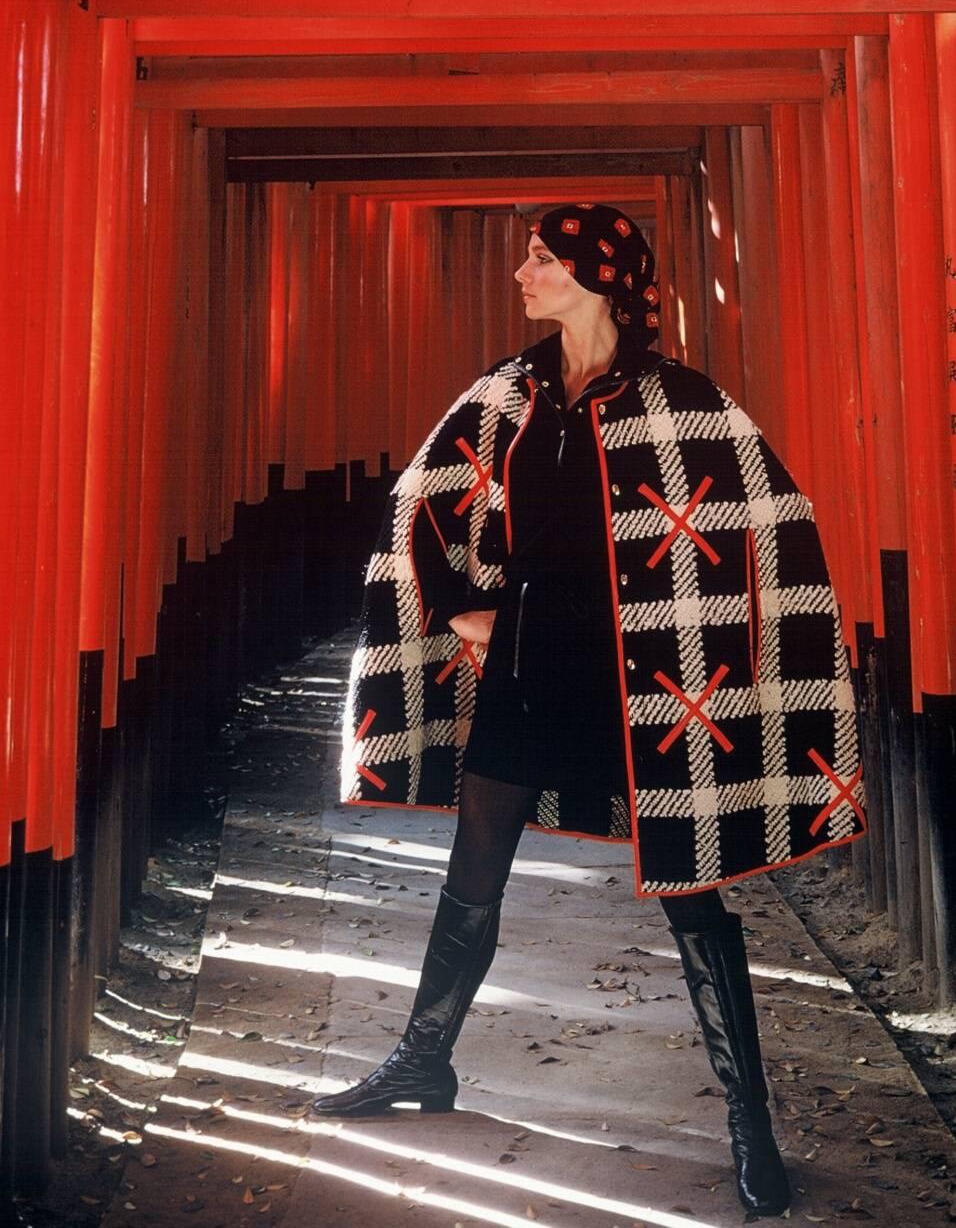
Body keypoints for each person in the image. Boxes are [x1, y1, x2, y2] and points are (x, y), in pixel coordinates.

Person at [314, 204, 866, 1219]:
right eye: (527, 255)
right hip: (527, 664)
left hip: (646, 680)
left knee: (690, 888)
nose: (521, 272)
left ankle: (749, 1122)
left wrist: (742, 664)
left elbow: (769, 522)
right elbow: (417, 499)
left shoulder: (682, 401)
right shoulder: (508, 393)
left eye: (540, 258)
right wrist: (455, 607)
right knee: (472, 865)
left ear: (595, 274)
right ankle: (420, 1062)